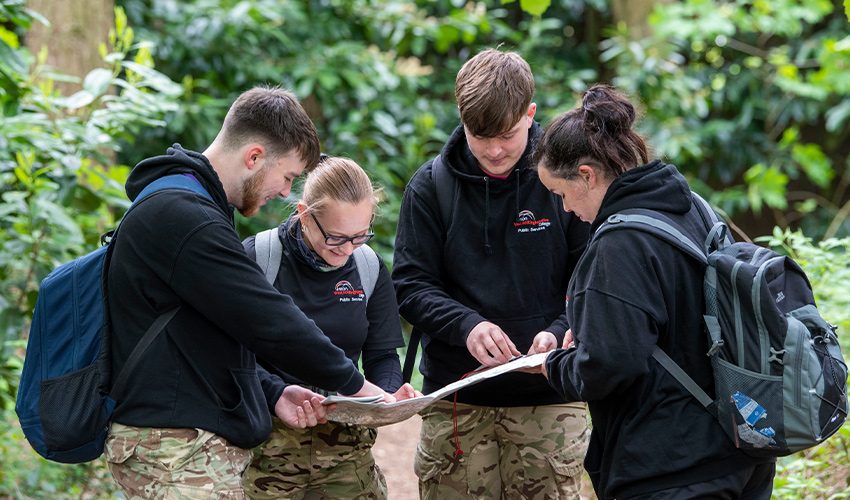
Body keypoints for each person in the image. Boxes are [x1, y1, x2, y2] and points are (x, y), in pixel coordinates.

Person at [104, 86, 388, 499]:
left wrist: (274, 392)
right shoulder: (186, 217)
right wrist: (356, 386)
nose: (285, 192)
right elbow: (268, 319)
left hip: (188, 441)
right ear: (254, 157)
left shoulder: (193, 205)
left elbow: (211, 332)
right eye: (287, 176)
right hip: (169, 446)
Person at [532, 84, 776, 500]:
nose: (565, 209)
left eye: (560, 193)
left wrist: (554, 364)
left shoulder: (619, 245)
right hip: (741, 449)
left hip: (671, 466)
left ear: (587, 175)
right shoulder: (693, 207)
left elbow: (609, 365)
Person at [391, 48, 591, 499]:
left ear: (530, 113)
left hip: (551, 397)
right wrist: (467, 327)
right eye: (480, 136)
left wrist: (561, 329)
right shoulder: (430, 186)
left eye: (505, 135)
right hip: (457, 402)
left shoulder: (567, 180)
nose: (494, 150)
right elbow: (409, 285)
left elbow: (592, 273)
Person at [241, 155, 421, 499]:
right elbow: (231, 354)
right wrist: (274, 392)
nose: (348, 249)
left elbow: (383, 353)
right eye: (337, 237)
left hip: (346, 455)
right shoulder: (260, 258)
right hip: (264, 452)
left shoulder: (368, 266)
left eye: (361, 235)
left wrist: (386, 396)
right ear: (304, 214)